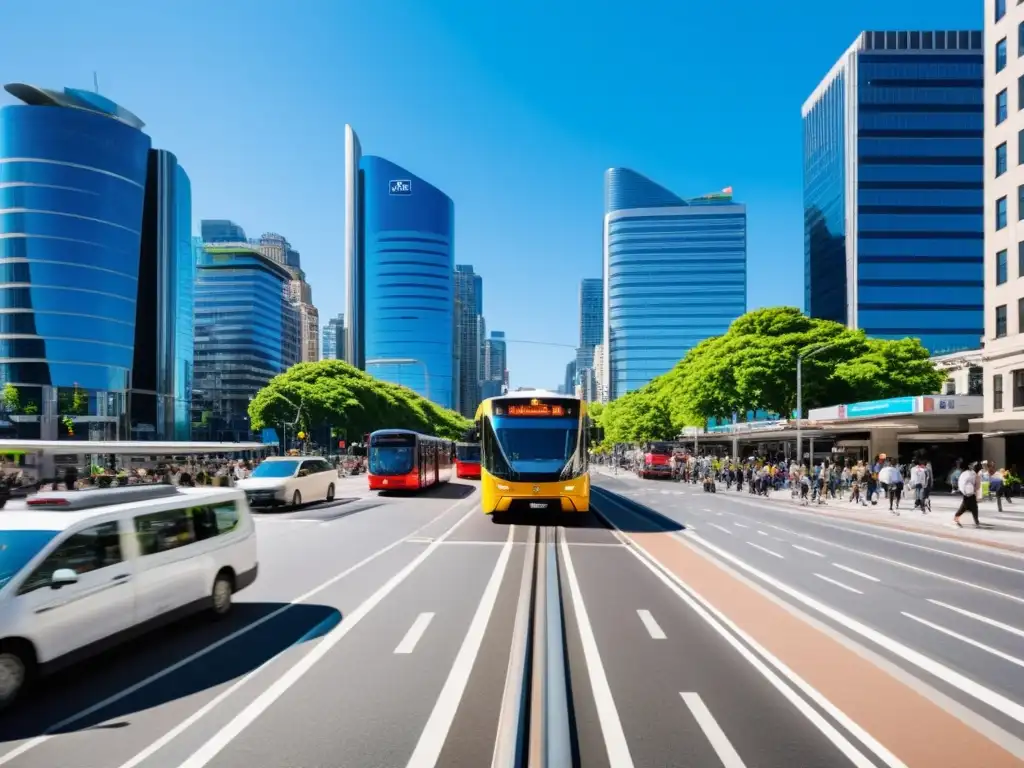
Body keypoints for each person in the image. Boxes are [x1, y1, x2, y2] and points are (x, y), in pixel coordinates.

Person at [954, 462, 980, 528]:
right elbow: (975, 485)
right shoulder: (970, 474)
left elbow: (975, 484)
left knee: (974, 507)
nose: (973, 466)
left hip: (970, 493)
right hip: (968, 493)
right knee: (964, 507)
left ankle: (976, 520)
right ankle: (956, 517)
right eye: (972, 465)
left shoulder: (971, 473)